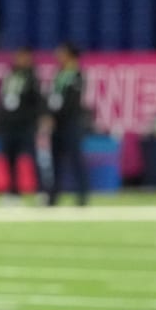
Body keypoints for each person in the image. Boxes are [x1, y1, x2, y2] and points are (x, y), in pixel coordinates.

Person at [0, 47, 43, 203]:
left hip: (25, 125)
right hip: (10, 125)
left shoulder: (32, 78)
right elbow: (3, 98)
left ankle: (41, 190)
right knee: (10, 159)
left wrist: (32, 121)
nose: (20, 60)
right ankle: (13, 191)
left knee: (33, 157)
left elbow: (36, 102)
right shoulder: (10, 75)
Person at [46, 42, 89, 206]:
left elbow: (73, 102)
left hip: (71, 123)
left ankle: (82, 196)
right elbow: (53, 98)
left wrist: (57, 114)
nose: (58, 56)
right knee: (55, 161)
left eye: (62, 53)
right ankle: (53, 196)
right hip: (57, 123)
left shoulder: (77, 75)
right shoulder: (59, 74)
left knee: (76, 159)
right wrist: (50, 116)